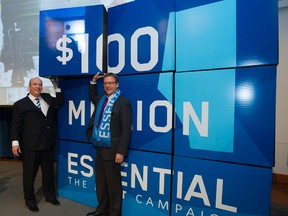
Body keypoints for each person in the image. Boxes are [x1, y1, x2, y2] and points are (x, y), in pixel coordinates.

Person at [11, 77, 64, 212]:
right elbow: (15, 125)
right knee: (29, 175)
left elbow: (60, 101)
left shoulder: (47, 98)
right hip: (30, 147)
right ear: (29, 87)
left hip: (47, 144)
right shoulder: (20, 104)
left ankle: (50, 196)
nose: (38, 87)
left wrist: (56, 85)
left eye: (40, 84)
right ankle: (30, 201)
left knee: (48, 173)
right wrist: (15, 143)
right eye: (35, 84)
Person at [86, 72, 132, 216]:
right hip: (99, 147)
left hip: (113, 151)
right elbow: (92, 96)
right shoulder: (101, 98)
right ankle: (102, 211)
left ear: (117, 84)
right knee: (100, 184)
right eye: (105, 83)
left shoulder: (123, 102)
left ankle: (114, 214)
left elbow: (126, 130)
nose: (107, 85)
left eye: (111, 83)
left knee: (113, 187)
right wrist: (93, 82)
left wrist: (121, 152)